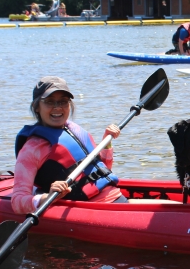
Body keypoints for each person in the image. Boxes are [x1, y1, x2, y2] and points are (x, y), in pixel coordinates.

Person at [11, 76, 126, 215]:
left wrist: (106, 143)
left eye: (63, 102)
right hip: (89, 210)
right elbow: (17, 202)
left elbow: (104, 169)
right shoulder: (32, 148)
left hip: (116, 197)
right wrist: (48, 197)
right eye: (49, 102)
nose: (58, 107)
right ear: (36, 107)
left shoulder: (74, 129)